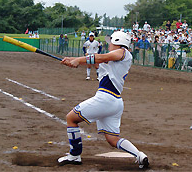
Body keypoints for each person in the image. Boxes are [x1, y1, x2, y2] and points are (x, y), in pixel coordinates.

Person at [58, 31, 149, 169]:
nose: (109, 44)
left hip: (106, 98)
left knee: (71, 118)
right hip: (114, 102)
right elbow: (98, 59)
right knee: (113, 140)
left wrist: (78, 60)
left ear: (119, 43)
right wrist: (73, 60)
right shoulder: (114, 58)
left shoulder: (122, 52)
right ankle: (139, 155)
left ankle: (74, 155)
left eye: (111, 42)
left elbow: (101, 57)